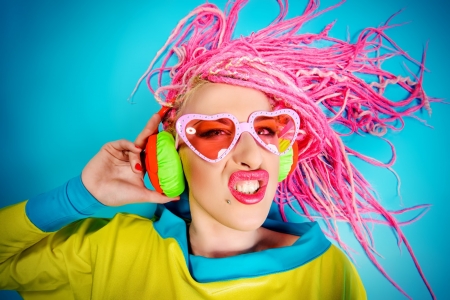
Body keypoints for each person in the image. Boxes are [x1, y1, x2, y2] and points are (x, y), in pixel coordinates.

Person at [0, 0, 436, 299]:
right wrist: (80, 194)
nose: (250, 154)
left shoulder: (328, 273)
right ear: (168, 158)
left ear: (282, 153)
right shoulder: (108, 252)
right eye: (213, 132)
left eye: (266, 130)